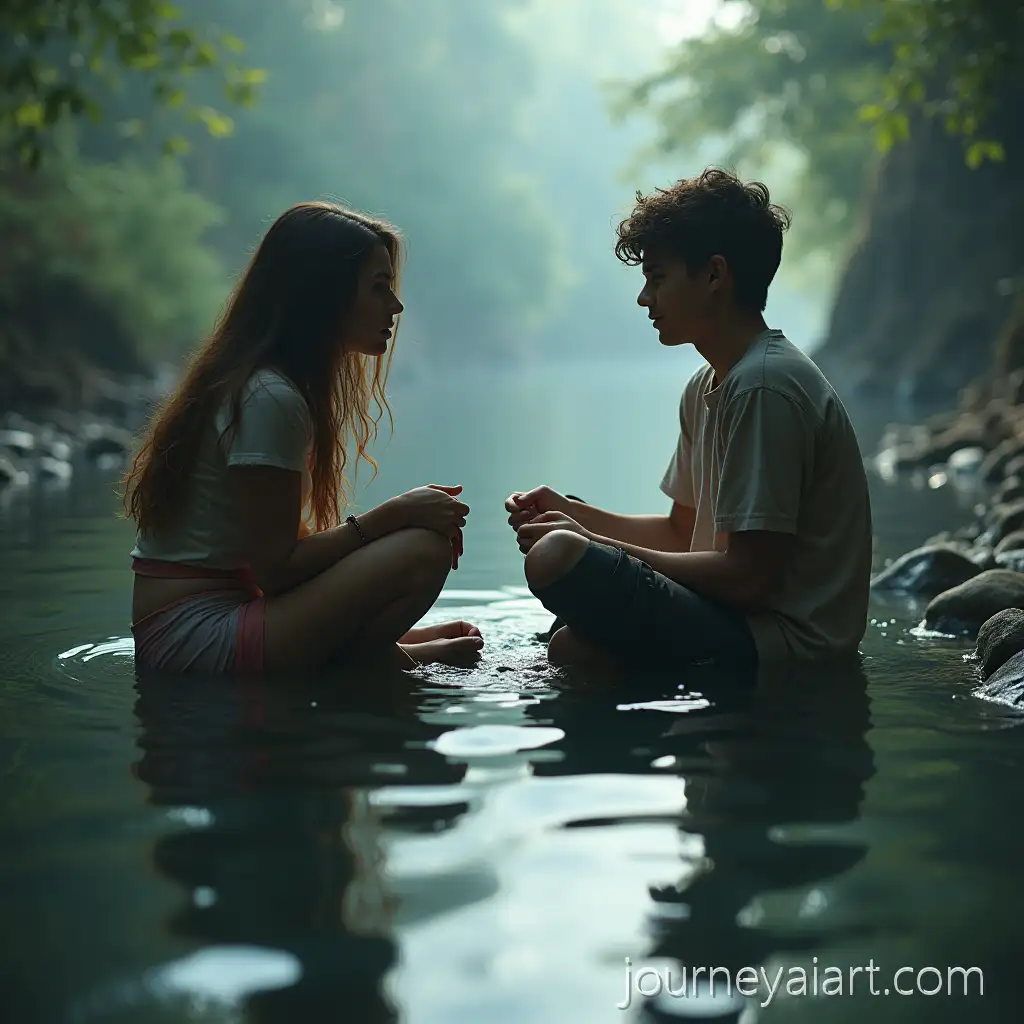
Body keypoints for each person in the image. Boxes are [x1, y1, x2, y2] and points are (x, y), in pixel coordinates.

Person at [505, 168, 873, 671]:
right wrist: (574, 515)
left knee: (560, 561)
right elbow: (682, 533)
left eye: (657, 277)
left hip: (784, 645)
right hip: (732, 619)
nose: (644, 298)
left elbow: (747, 579)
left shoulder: (764, 386)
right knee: (572, 640)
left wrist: (587, 543)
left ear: (714, 276)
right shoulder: (708, 386)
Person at [123, 201, 484, 676]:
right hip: (193, 639)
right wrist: (393, 515)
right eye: (379, 288)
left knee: (411, 539)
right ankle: (377, 662)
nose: (395, 306)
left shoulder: (264, 384)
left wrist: (404, 629)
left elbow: (276, 568)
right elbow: (277, 572)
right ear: (325, 294)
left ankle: (387, 650)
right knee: (422, 547)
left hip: (209, 621)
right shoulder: (269, 396)